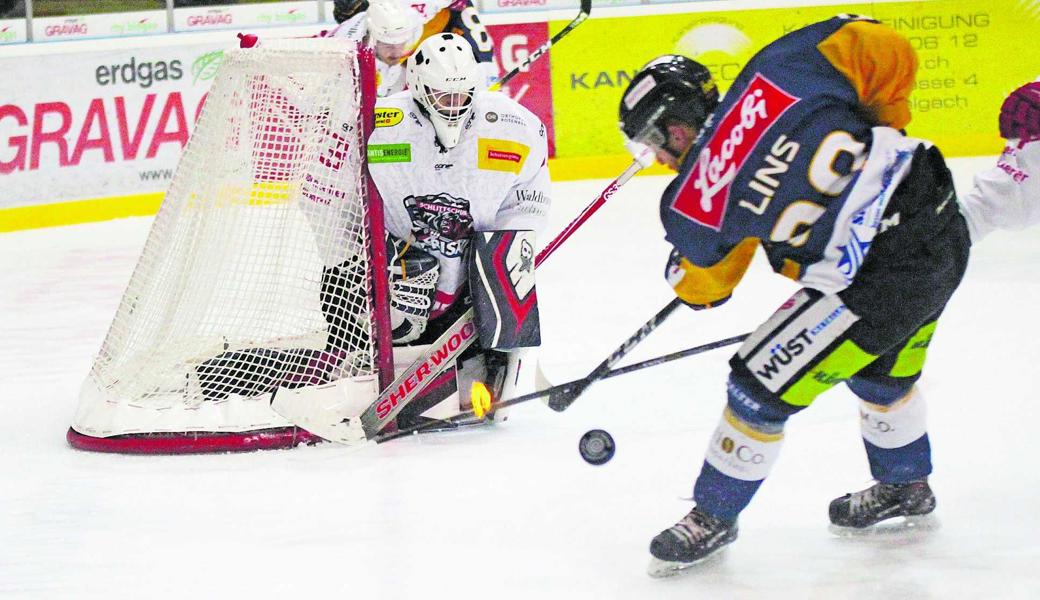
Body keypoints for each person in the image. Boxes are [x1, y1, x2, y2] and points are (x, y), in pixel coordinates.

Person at [616, 15, 1039, 577]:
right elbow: (886, 47)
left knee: (756, 384)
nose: (660, 160)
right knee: (878, 369)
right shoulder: (777, 69)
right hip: (938, 218)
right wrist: (880, 126)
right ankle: (904, 485)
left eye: (652, 144)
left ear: (675, 128)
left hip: (876, 277)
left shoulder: (692, 198)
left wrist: (714, 251)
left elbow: (704, 287)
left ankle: (713, 515)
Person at [365, 32, 550, 423]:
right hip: (405, 270)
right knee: (398, 284)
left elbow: (526, 202)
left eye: (462, 95)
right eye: (442, 96)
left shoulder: (515, 126)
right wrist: (378, 247)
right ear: (418, 87)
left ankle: (495, 359)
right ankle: (378, 362)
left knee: (508, 262)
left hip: (469, 282)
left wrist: (507, 264)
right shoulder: (382, 122)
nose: (453, 105)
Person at [329, 0, 498, 97]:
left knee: (483, 79)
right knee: (384, 99)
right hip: (399, 43)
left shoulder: (419, 7)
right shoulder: (350, 35)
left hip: (442, 26)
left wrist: (485, 69)